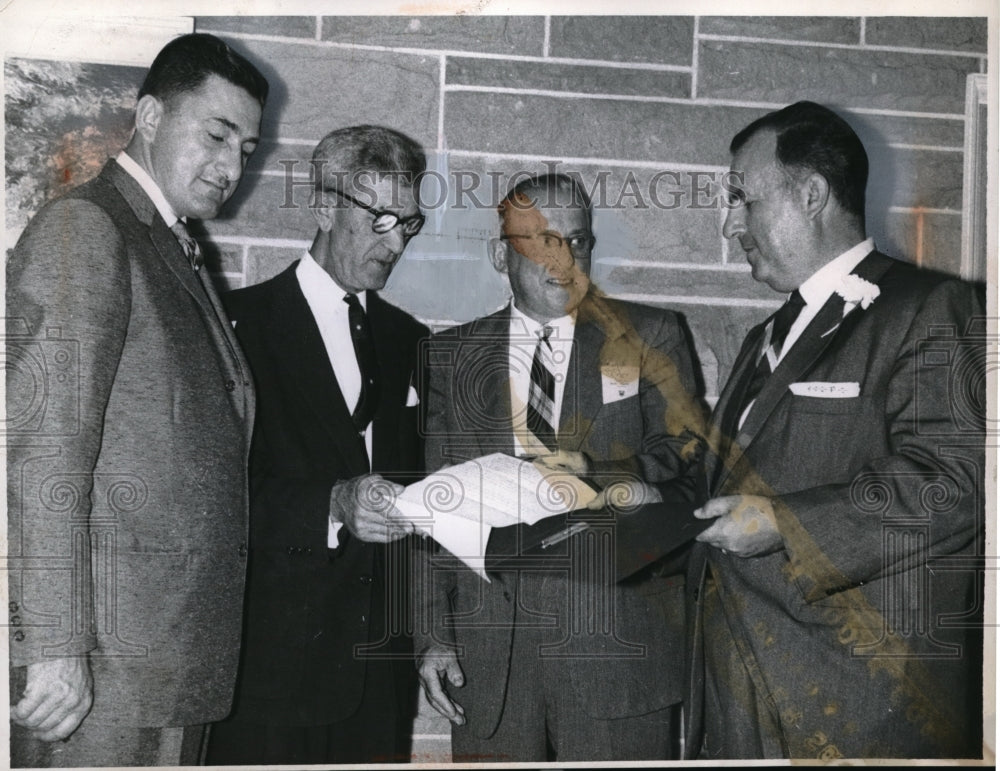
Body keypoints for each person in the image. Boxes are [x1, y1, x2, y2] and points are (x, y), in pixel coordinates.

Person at [686, 100, 986, 759]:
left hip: (859, 711)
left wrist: (784, 524)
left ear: (812, 192)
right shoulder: (768, 334)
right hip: (744, 703)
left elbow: (953, 482)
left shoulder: (931, 307)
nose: (730, 223)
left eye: (742, 198)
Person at [6, 33, 268, 767]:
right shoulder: (87, 228)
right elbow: (42, 448)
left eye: (246, 148)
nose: (231, 166)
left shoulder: (173, 244)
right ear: (150, 116)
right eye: (216, 135)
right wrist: (54, 646)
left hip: (169, 660)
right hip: (100, 677)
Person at [414, 173, 706, 762]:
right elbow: (432, 509)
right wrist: (433, 636)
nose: (565, 259)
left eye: (579, 240)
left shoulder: (651, 335)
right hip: (489, 662)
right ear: (501, 254)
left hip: (618, 649)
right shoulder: (448, 357)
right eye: (542, 241)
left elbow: (691, 462)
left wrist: (599, 474)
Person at [204, 125, 428, 765]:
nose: (395, 244)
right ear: (324, 204)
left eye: (408, 225)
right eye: (381, 218)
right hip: (269, 672)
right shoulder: (234, 325)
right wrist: (330, 504)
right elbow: (212, 499)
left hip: (379, 675)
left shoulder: (409, 339)